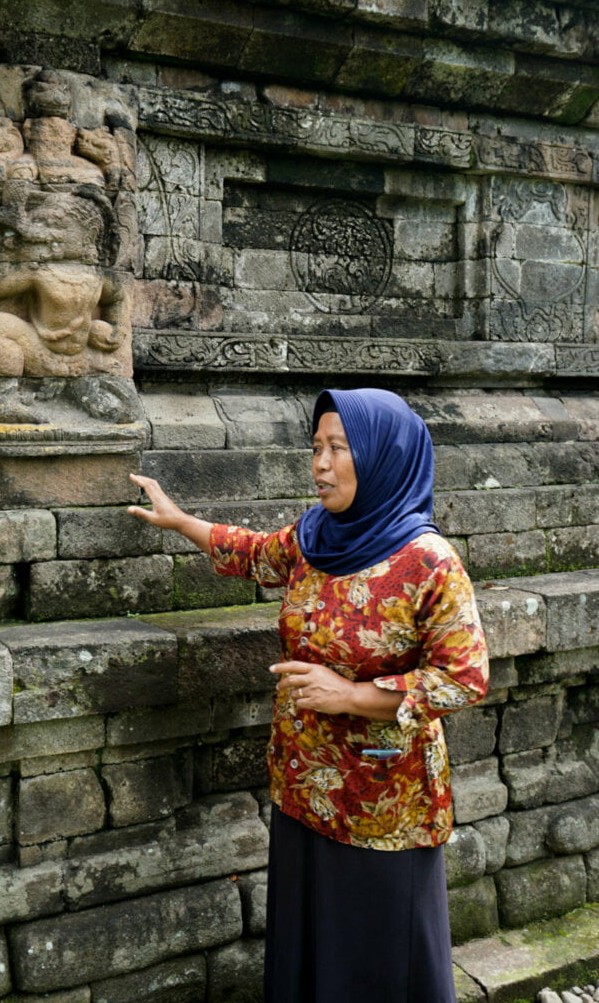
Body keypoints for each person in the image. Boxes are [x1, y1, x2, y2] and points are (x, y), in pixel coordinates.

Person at [128, 387, 488, 1003]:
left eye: (339, 449)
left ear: (382, 457)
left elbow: (464, 678)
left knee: (379, 955)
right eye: (316, 447)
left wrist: (351, 694)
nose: (319, 464)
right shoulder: (315, 535)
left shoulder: (428, 563)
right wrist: (179, 519)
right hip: (303, 784)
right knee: (311, 946)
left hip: (383, 801)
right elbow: (253, 554)